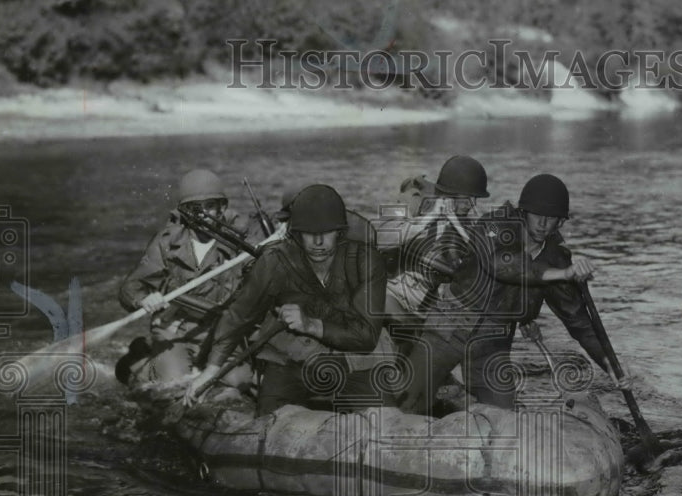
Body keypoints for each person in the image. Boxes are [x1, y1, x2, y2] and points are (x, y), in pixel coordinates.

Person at [400, 173, 607, 414]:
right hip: (448, 332)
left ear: (560, 222)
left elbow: (579, 322)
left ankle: (454, 399)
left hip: (492, 346)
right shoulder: (494, 225)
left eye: (551, 219)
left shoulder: (556, 258)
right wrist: (562, 274)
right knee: (405, 406)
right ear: (523, 212)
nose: (542, 224)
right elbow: (500, 263)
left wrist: (611, 367)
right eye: (537, 215)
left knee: (504, 419)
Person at [185, 184, 388, 414]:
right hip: (290, 358)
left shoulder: (366, 262)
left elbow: (366, 336)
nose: (318, 242)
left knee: (381, 423)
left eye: (326, 233)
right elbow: (240, 314)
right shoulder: (275, 261)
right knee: (268, 425)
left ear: (340, 232)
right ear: (296, 234)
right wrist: (211, 370)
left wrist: (311, 325)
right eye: (309, 234)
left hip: (354, 359)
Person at [117, 168, 257, 386]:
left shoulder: (242, 243)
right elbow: (131, 287)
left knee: (240, 381)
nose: (203, 215)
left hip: (221, 336)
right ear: (184, 211)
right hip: (175, 332)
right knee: (173, 382)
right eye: (194, 209)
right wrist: (144, 299)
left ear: (222, 207)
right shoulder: (167, 242)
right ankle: (142, 363)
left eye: (210, 206)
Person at [375, 155, 488, 355]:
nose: (472, 204)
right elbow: (381, 238)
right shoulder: (413, 199)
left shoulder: (466, 223)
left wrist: (470, 230)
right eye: (468, 198)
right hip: (390, 296)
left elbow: (486, 249)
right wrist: (430, 218)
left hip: (424, 312)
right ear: (451, 194)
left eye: (475, 199)